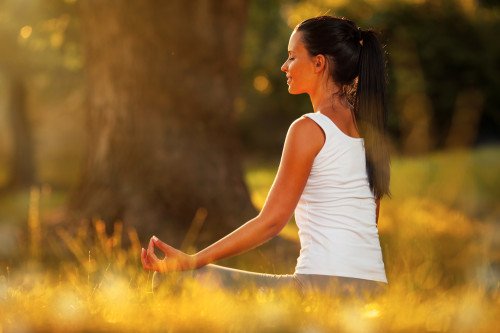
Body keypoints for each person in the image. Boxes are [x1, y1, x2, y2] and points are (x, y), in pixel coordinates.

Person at [141, 15, 390, 298]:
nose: (284, 66)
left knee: (174, 279)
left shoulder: (309, 129)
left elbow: (271, 222)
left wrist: (193, 260)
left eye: (292, 57)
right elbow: (369, 223)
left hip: (321, 289)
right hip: (375, 290)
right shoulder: (370, 135)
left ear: (319, 63)